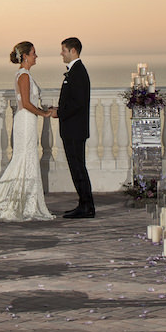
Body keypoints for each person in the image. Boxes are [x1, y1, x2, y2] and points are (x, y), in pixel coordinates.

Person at [0, 42, 55, 223]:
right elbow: (26, 103)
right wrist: (44, 114)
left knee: (26, 158)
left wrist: (44, 110)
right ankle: (18, 201)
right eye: (34, 53)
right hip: (26, 120)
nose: (36, 56)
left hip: (26, 120)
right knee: (23, 158)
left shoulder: (23, 74)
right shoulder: (24, 75)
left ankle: (25, 200)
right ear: (25, 56)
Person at [55, 36, 94, 219]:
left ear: (73, 51)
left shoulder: (78, 71)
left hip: (75, 129)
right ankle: (83, 204)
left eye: (63, 50)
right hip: (73, 128)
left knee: (78, 168)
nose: (61, 53)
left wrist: (59, 113)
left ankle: (87, 206)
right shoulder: (75, 71)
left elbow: (78, 103)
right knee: (77, 167)